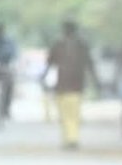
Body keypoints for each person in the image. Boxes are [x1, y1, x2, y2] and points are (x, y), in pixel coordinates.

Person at [41, 21, 99, 149]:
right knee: (71, 114)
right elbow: (90, 64)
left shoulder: (62, 45)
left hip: (68, 85)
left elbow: (49, 63)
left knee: (67, 114)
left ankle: (70, 139)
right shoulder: (77, 45)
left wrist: (44, 77)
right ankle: (71, 138)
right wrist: (96, 81)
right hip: (71, 84)